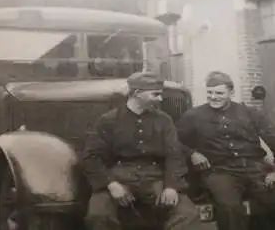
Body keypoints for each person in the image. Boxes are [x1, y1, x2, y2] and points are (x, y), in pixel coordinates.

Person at [82, 71, 199, 230]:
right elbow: (91, 157)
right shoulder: (108, 121)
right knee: (99, 214)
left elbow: (175, 155)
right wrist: (110, 184)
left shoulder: (164, 120)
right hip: (119, 176)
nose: (160, 99)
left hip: (155, 177)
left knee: (187, 214)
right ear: (137, 93)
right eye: (155, 94)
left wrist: (171, 186)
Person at [177, 71, 275, 230]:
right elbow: (175, 142)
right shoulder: (193, 116)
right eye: (210, 92)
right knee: (229, 207)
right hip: (219, 171)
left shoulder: (250, 113)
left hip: (255, 168)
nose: (214, 97)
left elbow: (272, 138)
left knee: (270, 201)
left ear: (231, 92)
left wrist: (273, 170)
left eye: (219, 93)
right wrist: (192, 153)